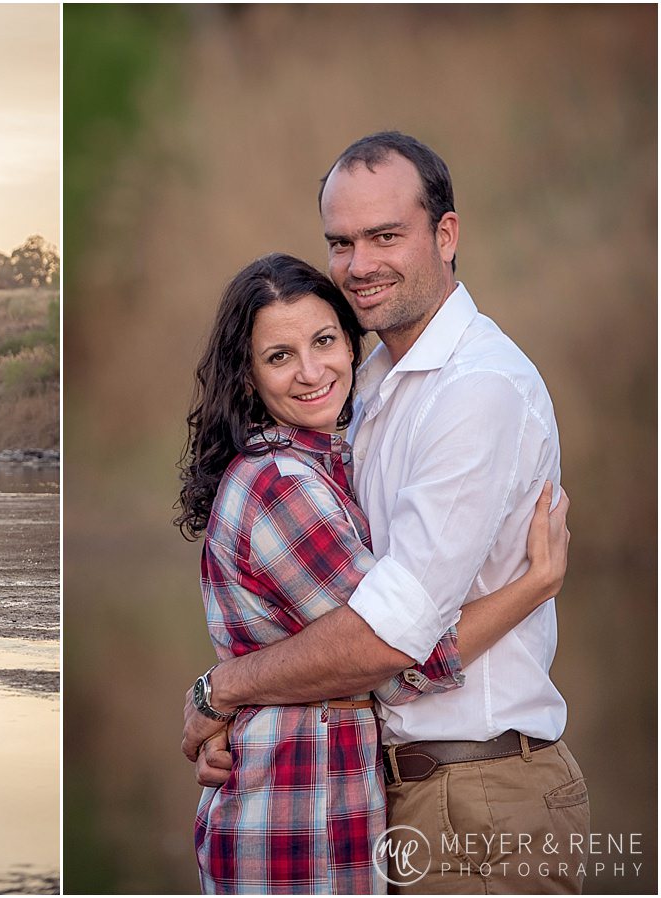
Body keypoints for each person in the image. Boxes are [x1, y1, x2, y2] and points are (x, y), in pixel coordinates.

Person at [181, 133, 590, 893]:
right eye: (341, 242)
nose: (359, 263)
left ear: (446, 234)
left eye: (385, 236)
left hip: (480, 794)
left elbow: (390, 646)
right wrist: (226, 701)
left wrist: (224, 691)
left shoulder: (477, 390)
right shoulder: (365, 386)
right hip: (390, 793)